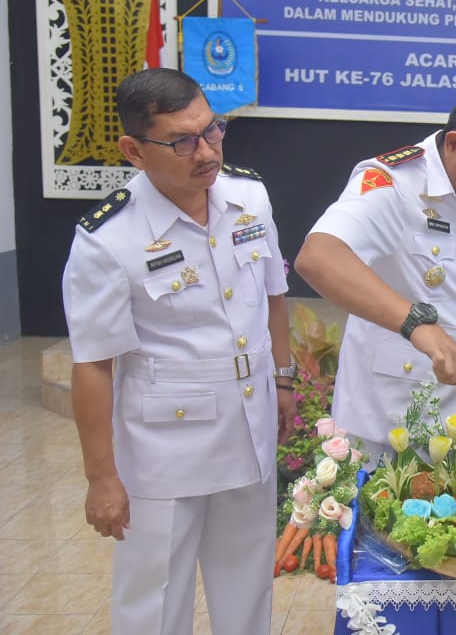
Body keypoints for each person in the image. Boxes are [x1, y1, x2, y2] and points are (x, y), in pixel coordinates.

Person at [62, 68, 295, 635]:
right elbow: (93, 363)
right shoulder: (108, 238)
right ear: (134, 150)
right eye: (183, 141)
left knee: (246, 586)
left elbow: (274, 295)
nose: (206, 151)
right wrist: (101, 478)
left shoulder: (248, 196)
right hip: (166, 445)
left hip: (249, 424)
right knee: (155, 595)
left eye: (212, 130)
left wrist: (284, 382)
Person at [295, 80, 456, 460]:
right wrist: (417, 324)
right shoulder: (392, 184)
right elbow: (318, 256)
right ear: (455, 143)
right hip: (389, 427)